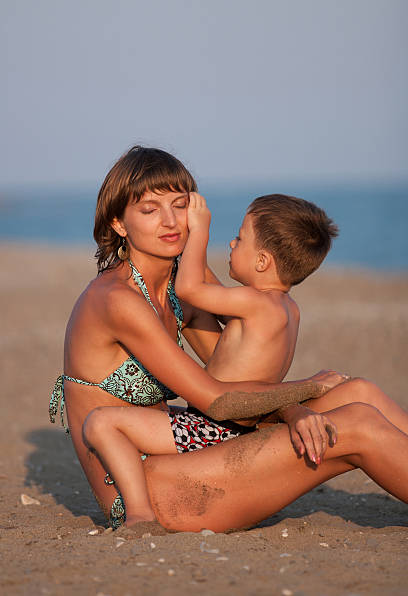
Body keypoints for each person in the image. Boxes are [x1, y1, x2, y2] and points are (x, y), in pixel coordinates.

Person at [49, 145, 408, 532]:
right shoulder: (117, 300)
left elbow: (235, 375)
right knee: (358, 424)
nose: (170, 221)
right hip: (151, 491)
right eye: (150, 210)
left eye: (180, 204)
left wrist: (295, 410)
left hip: (196, 450)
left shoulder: (178, 286)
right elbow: (217, 400)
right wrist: (304, 391)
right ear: (119, 224)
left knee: (360, 394)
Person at [83, 190, 341, 526]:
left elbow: (189, 289)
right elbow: (202, 287)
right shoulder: (287, 309)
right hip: (234, 426)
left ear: (262, 261)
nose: (232, 245)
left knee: (101, 422)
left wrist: (201, 230)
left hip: (212, 428)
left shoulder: (255, 303)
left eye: (239, 238)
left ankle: (140, 514)